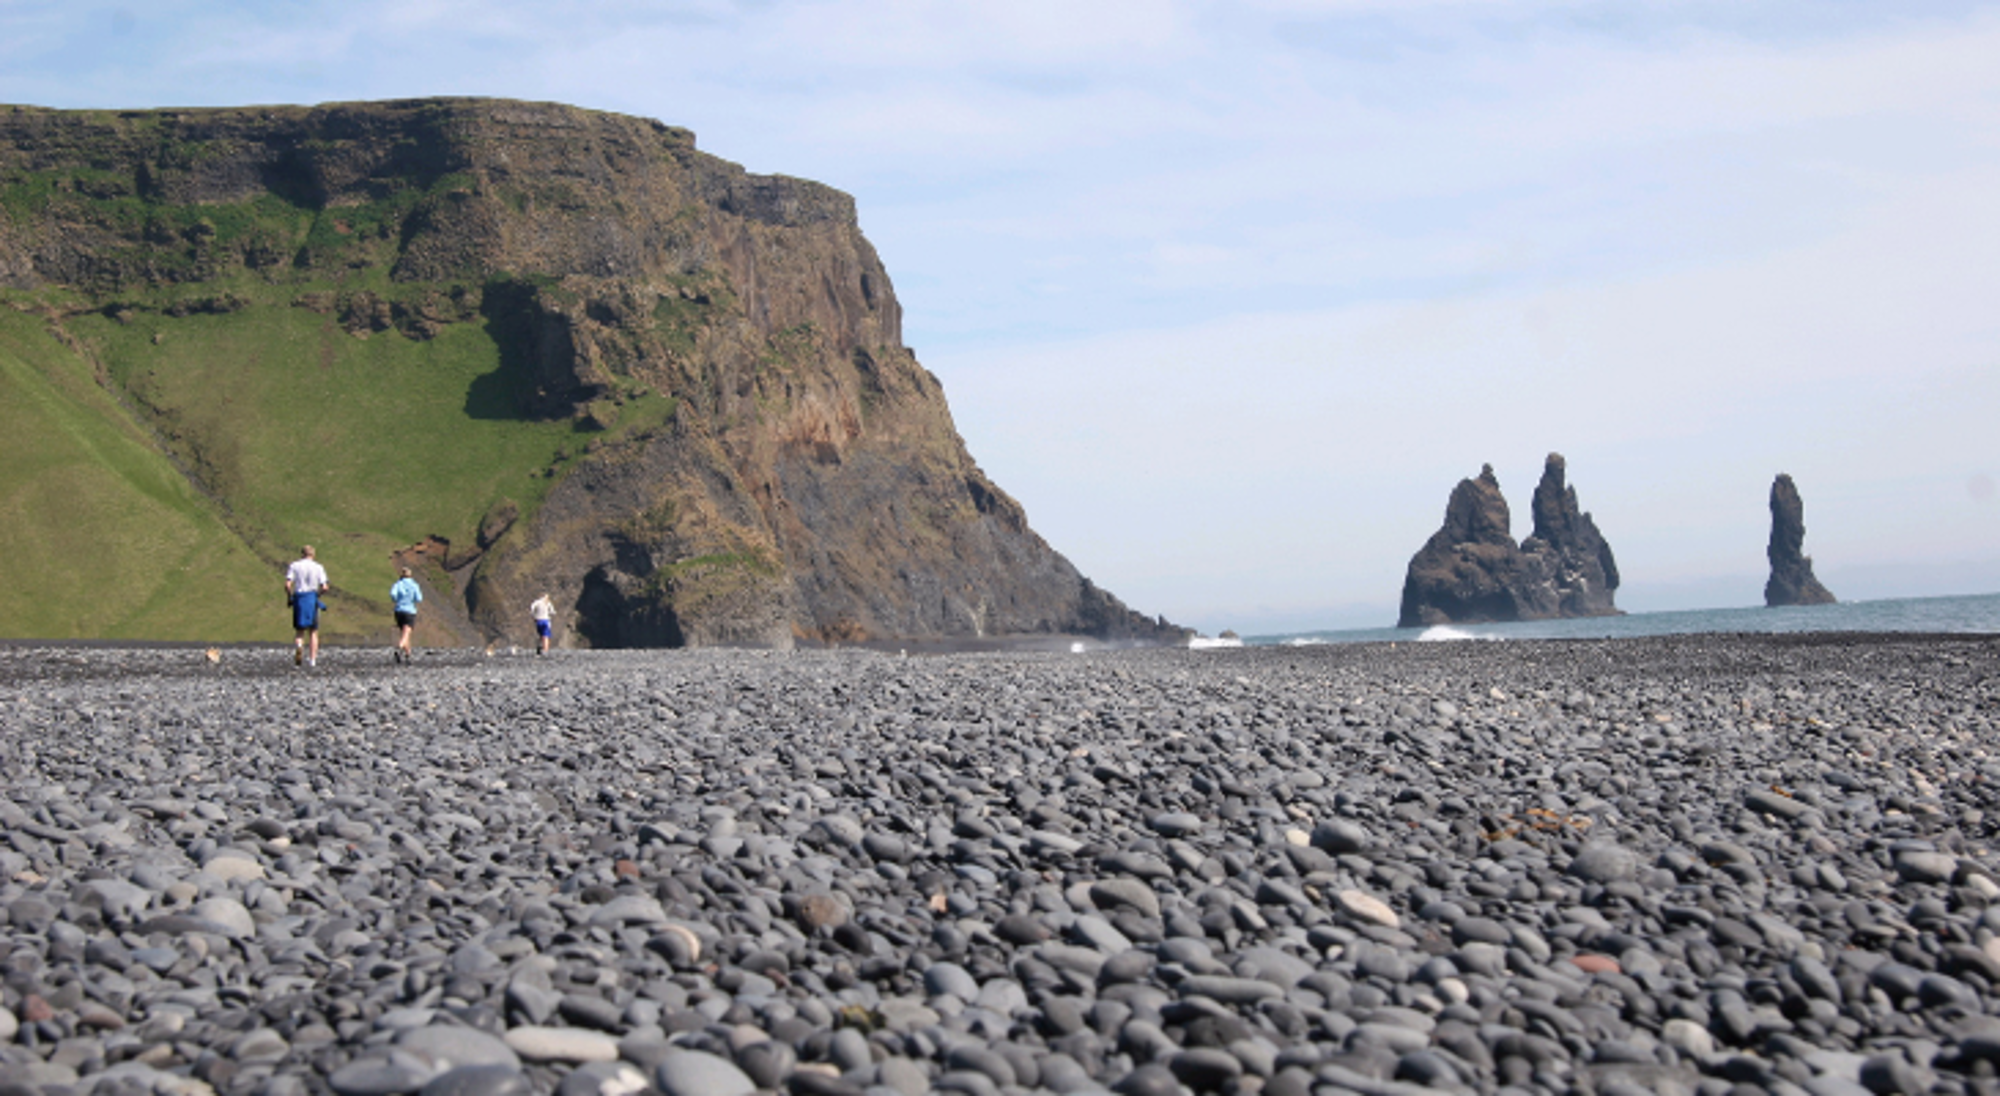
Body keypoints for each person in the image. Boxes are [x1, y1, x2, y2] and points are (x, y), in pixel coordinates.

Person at [284, 546, 330, 668]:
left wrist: (290, 597)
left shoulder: (294, 566)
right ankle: (312, 660)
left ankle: (299, 646)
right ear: (313, 555)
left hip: (299, 598)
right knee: (313, 631)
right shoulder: (318, 567)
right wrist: (318, 595)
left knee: (300, 630)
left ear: (302, 554)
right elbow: (325, 587)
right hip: (311, 597)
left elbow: (288, 584)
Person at [389, 567, 422, 664]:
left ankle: (408, 655)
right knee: (406, 632)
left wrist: (398, 600)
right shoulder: (414, 585)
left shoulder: (398, 584)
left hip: (399, 611)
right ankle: (399, 648)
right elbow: (419, 598)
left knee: (404, 633)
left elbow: (393, 594)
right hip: (410, 611)